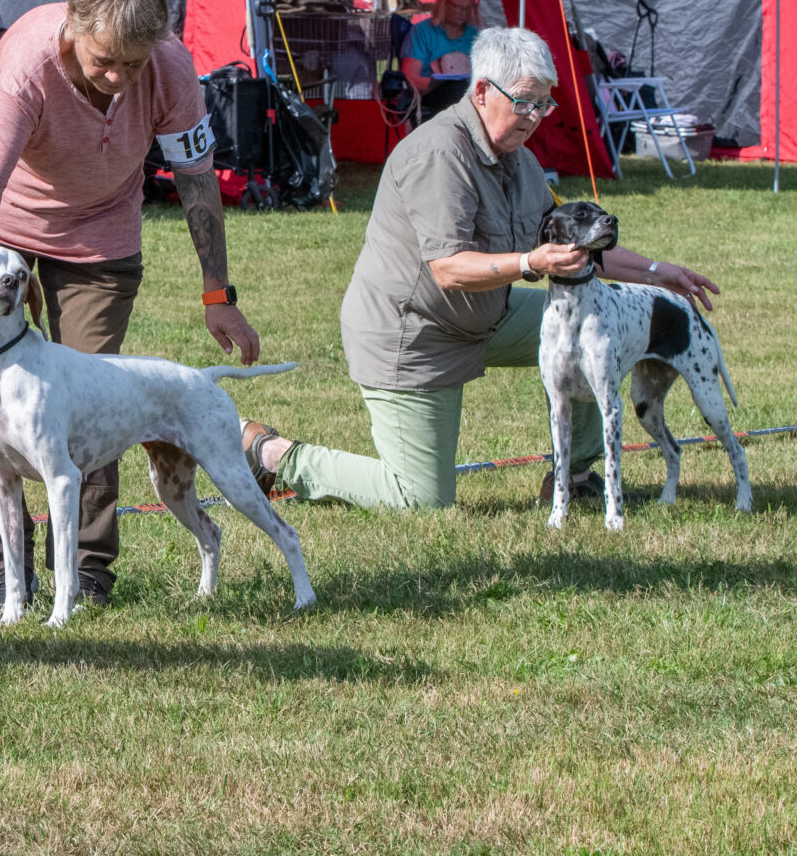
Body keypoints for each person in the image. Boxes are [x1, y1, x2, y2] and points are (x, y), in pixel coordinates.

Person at [240, 26, 720, 512]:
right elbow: (449, 269)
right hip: (414, 336)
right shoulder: (438, 154)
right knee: (420, 499)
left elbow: (576, 246)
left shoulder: (520, 158)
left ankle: (573, 476)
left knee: (590, 325)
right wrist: (531, 262)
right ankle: (272, 454)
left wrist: (657, 272)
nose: (535, 117)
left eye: (545, 105)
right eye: (525, 102)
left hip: (487, 313)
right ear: (484, 91)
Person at [0, 0, 261, 614]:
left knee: (94, 392)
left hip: (100, 235)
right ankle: (3, 572)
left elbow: (198, 181)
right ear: (74, 27)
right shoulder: (27, 65)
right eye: (104, 61)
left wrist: (217, 295)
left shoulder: (170, 69)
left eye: (133, 65)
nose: (119, 78)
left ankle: (86, 572)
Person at [400, 0, 481, 112]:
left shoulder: (475, 36)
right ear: (444, 3)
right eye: (457, 6)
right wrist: (439, 85)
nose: (463, 12)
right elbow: (410, 78)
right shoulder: (422, 33)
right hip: (431, 100)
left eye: (468, 8)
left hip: (468, 101)